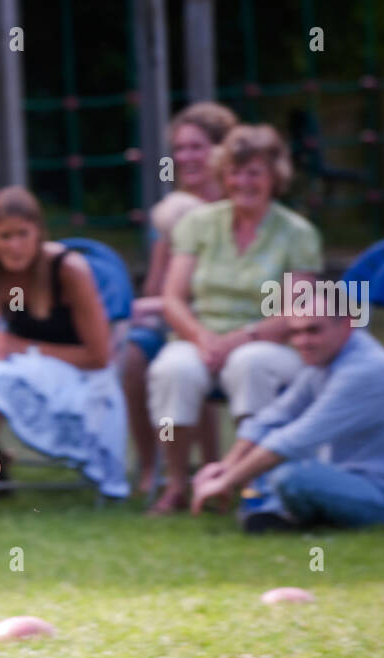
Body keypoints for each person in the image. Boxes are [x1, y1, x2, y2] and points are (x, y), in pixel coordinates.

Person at [148, 123, 323, 514]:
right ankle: (177, 484)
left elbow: (297, 311)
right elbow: (172, 298)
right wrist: (200, 338)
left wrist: (241, 338)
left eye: (253, 173)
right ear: (223, 175)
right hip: (201, 338)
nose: (243, 181)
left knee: (250, 365)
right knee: (173, 370)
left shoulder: (297, 233)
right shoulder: (198, 224)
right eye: (235, 172)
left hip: (268, 342)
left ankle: (248, 483)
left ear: (274, 176)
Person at [0, 186, 127, 495]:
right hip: (20, 366)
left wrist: (24, 349)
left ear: (39, 234)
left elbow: (100, 357)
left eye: (23, 234)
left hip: (80, 375)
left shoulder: (69, 270)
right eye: (5, 236)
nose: (15, 246)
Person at [190, 299, 384, 531]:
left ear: (347, 325)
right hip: (361, 482)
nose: (302, 342)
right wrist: (227, 465)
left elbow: (293, 440)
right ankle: (278, 512)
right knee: (280, 468)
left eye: (313, 330)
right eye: (296, 333)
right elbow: (273, 418)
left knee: (291, 476)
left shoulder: (364, 371)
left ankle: (282, 515)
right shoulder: (325, 362)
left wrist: (228, 481)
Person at [123, 102, 238, 495]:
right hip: (176, 319)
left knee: (194, 358)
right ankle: (152, 467)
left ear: (223, 152)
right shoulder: (172, 214)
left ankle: (212, 466)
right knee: (133, 356)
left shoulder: (239, 207)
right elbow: (156, 288)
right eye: (180, 148)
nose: (186, 157)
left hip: (226, 323)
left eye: (197, 147)